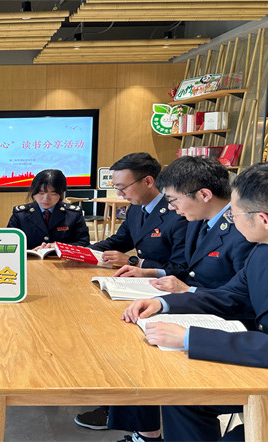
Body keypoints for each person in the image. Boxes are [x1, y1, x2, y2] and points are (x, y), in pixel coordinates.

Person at [123, 161, 268, 442]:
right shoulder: (266, 252)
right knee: (182, 396)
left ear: (264, 220)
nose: (229, 221)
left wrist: (190, 337)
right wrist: (164, 303)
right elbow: (230, 296)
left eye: (233, 214)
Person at [104, 156, 256, 442]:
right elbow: (190, 269)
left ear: (204, 195)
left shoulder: (244, 231)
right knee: (133, 333)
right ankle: (144, 431)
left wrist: (185, 292)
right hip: (196, 305)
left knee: (159, 366)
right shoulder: (198, 220)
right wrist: (166, 298)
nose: (171, 208)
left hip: (227, 320)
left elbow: (241, 295)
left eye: (173, 200)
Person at [76, 153, 188, 431]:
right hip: (135, 288)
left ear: (148, 181)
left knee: (128, 345)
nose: (119, 194)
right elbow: (118, 241)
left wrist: (137, 262)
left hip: (166, 294)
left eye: (122, 187)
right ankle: (118, 406)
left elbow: (182, 267)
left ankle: (136, 422)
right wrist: (71, 251)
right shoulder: (137, 208)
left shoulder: (177, 212)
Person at [7, 169, 90, 250]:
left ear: (62, 193)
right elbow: (9, 242)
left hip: (61, 258)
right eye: (41, 193)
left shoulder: (73, 214)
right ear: (33, 191)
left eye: (53, 194)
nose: (46, 199)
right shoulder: (20, 214)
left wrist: (59, 247)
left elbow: (84, 243)